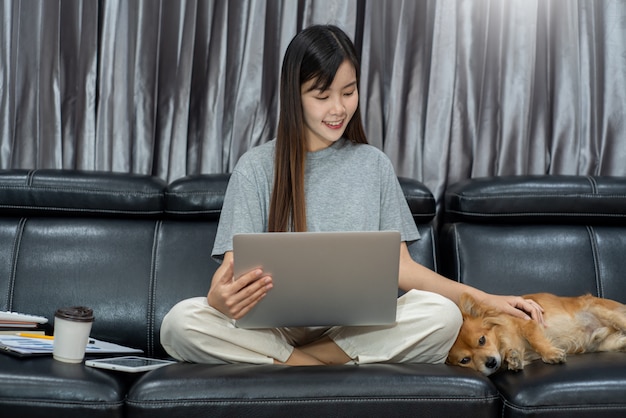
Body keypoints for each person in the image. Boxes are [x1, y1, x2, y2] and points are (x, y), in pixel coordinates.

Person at [160, 24, 544, 366]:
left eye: (349, 91)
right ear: (294, 96)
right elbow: (232, 276)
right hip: (275, 332)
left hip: (354, 331)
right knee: (179, 323)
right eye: (322, 95)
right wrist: (218, 300)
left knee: (440, 315)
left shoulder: (373, 164)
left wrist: (487, 298)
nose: (339, 108)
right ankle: (308, 363)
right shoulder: (255, 167)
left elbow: (402, 269)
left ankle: (297, 364)